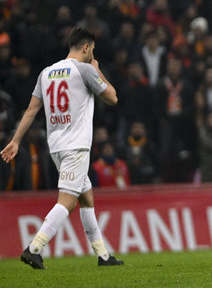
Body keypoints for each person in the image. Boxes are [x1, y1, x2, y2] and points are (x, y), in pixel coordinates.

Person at [0, 27, 124, 269]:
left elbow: (31, 110)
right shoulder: (85, 69)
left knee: (86, 196)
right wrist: (97, 69)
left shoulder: (46, 73)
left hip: (56, 146)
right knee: (67, 201)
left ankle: (103, 256)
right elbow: (112, 97)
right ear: (86, 47)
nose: (92, 54)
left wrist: (15, 140)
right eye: (92, 50)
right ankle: (34, 248)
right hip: (76, 147)